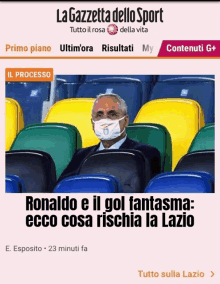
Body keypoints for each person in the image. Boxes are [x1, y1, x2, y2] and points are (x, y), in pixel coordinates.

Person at [57, 93, 161, 183]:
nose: (105, 120)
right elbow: (61, 188)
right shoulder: (81, 154)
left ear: (125, 121)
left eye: (112, 114)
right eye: (99, 115)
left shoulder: (146, 153)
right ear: (92, 123)